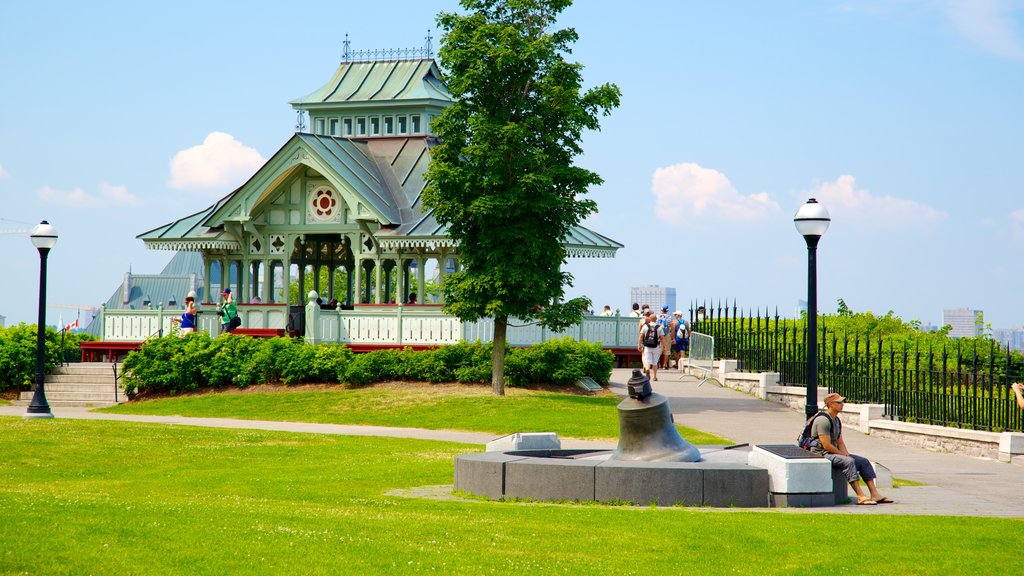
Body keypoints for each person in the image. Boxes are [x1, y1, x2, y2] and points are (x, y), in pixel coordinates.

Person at [809, 393, 893, 505]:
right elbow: (826, 445)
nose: (842, 404)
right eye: (839, 402)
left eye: (842, 402)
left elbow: (840, 442)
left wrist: (846, 454)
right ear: (830, 404)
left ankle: (875, 494)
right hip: (821, 453)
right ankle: (860, 496)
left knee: (863, 462)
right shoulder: (822, 420)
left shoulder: (836, 420)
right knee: (849, 462)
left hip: (833, 453)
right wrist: (844, 456)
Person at [637, 312, 664, 382]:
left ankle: (647, 369)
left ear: (650, 319)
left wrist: (639, 345)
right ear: (656, 319)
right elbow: (662, 338)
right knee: (655, 362)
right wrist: (664, 346)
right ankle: (654, 377)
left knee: (647, 360)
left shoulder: (645, 326)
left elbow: (641, 336)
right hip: (656, 346)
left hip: (647, 346)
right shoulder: (659, 327)